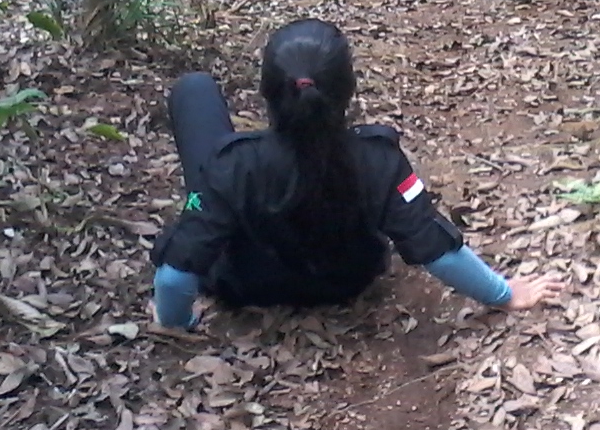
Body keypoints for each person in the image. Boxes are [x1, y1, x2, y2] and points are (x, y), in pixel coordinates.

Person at [150, 20, 563, 329]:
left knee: (195, 89)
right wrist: (503, 294)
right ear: (348, 90)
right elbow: (433, 245)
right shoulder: (379, 159)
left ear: (267, 93)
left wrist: (177, 322)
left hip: (243, 286)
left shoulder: (232, 164)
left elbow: (174, 276)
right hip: (346, 282)